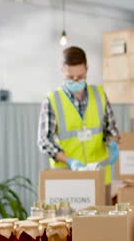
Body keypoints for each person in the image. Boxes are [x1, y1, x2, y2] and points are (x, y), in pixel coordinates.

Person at [38, 46, 120, 204]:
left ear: (87, 69)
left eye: (80, 76)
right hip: (67, 178)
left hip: (99, 175)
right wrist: (70, 161)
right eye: (70, 77)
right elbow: (44, 140)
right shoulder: (52, 100)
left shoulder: (99, 95)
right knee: (67, 227)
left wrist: (113, 143)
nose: (76, 81)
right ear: (62, 70)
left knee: (101, 225)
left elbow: (111, 129)